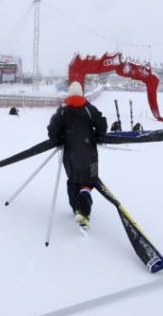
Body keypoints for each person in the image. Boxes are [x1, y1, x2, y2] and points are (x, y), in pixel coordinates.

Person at [47, 81, 107, 229]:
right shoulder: (89, 108)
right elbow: (103, 125)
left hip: (70, 156)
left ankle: (76, 209)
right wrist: (97, 135)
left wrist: (57, 140)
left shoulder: (62, 111)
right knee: (89, 181)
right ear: (81, 93)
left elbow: (52, 130)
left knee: (73, 181)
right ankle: (85, 201)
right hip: (90, 155)